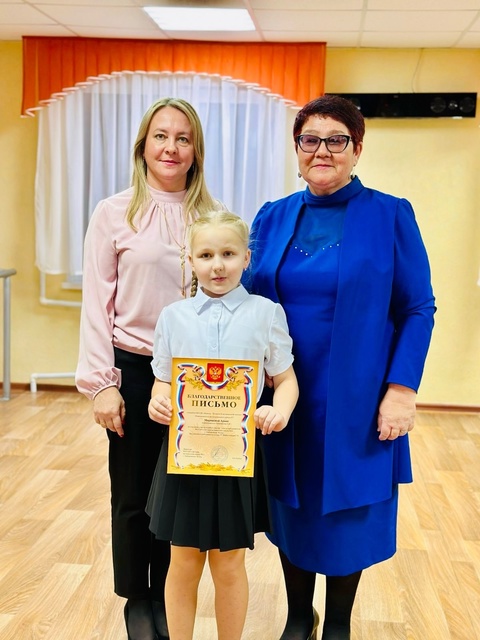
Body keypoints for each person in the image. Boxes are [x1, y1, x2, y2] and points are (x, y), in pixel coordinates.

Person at [244, 94, 436, 640]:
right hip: (285, 392)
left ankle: (339, 625)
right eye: (310, 140)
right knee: (292, 502)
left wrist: (402, 389)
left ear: (357, 149)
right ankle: (298, 617)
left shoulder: (389, 214)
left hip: (358, 395)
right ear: (297, 148)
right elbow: (245, 298)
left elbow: (417, 307)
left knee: (348, 508)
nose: (322, 151)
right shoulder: (272, 216)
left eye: (336, 140)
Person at [76, 97, 223, 640]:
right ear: (143, 145)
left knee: (178, 493)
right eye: (161, 136)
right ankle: (137, 600)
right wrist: (102, 385)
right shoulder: (114, 213)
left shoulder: (212, 217)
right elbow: (97, 304)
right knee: (134, 491)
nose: (171, 147)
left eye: (183, 138)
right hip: (133, 371)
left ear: (195, 151)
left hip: (194, 377)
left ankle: (166, 594)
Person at [146, 210, 299, 640]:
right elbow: (162, 381)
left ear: (247, 258)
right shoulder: (173, 317)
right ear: (190, 260)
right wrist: (158, 401)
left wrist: (279, 411)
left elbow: (286, 380)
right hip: (185, 457)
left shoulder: (266, 313)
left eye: (229, 254)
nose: (218, 265)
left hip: (237, 458)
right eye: (206, 255)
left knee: (229, 562)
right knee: (183, 561)